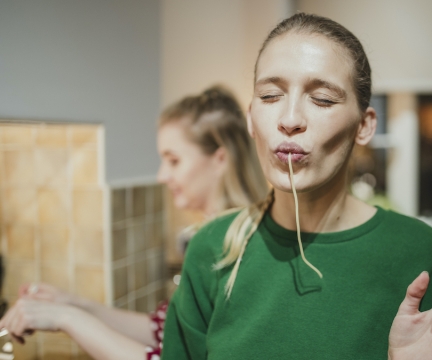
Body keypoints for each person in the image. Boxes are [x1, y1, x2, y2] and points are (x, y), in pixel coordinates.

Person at [162, 13, 432, 360]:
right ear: (250, 118)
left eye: (321, 99)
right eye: (270, 95)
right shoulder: (211, 250)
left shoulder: (419, 253)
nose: (289, 120)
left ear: (364, 126)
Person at [0, 85, 268, 360]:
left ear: (219, 159)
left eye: (173, 161)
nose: (162, 175)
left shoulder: (234, 248)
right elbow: (166, 330)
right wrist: (74, 304)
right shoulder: (220, 236)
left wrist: (66, 318)